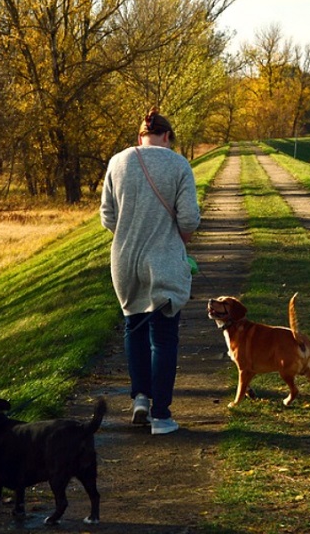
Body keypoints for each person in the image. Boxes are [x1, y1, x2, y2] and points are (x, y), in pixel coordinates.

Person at [100, 107, 201, 435]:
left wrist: (132, 232)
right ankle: (161, 416)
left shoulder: (117, 162)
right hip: (164, 261)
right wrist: (176, 234)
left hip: (125, 261)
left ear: (139, 137)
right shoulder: (178, 164)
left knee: (135, 329)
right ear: (168, 136)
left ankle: (140, 398)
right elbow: (188, 220)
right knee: (164, 336)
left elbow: (107, 217)